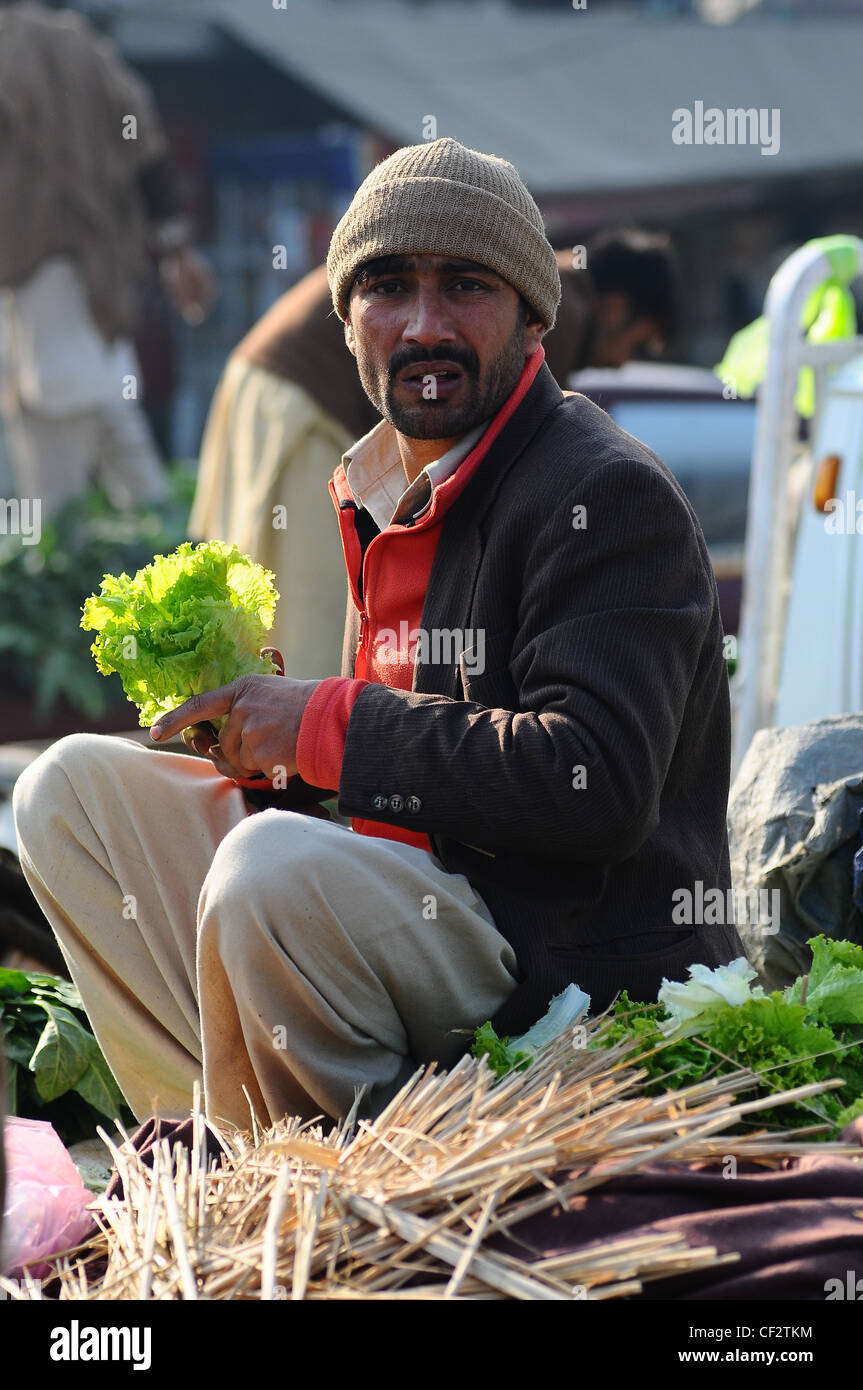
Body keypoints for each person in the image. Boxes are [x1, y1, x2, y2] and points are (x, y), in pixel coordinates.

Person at [13, 138, 743, 1134]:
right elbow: (412, 777)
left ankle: (332, 1182)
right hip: (429, 904)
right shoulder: (391, 482)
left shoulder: (602, 492)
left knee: (266, 874)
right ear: (347, 317)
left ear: (531, 316)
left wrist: (324, 724)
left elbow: (596, 783)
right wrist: (278, 758)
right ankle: (215, 1138)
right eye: (388, 287)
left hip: (561, 967)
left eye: (466, 287)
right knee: (67, 791)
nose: (424, 325)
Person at [0, 0, 213, 516]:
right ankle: (167, 545)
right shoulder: (81, 43)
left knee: (53, 436)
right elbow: (147, 146)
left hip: (36, 275)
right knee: (110, 410)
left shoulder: (18, 47)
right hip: (97, 273)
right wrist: (177, 249)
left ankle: (63, 563)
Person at [188, 264, 380, 679]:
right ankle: (299, 726)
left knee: (273, 582)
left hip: (269, 390)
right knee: (309, 593)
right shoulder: (543, 299)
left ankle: (275, 715)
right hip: (295, 406)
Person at [542, 229, 681, 385]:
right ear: (617, 307)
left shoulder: (557, 288)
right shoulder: (564, 318)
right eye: (637, 347)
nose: (620, 364)